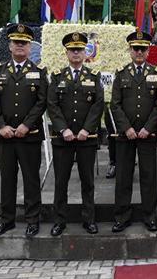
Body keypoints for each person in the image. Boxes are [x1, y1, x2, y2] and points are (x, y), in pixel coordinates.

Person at [0, 24, 47, 237]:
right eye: (16, 42)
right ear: (10, 45)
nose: (20, 46)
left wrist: (26, 125)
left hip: (28, 136)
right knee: (7, 180)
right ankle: (6, 220)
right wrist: (1, 126)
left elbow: (41, 103)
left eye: (24, 43)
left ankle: (32, 220)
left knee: (31, 179)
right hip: (5, 136)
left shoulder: (39, 72)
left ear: (30, 47)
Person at [47, 32, 104, 236]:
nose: (76, 53)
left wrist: (86, 130)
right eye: (72, 50)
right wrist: (64, 129)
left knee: (87, 181)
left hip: (85, 138)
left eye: (79, 49)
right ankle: (59, 220)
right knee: (61, 181)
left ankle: (88, 219)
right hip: (63, 138)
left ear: (84, 53)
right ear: (67, 53)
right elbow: (52, 105)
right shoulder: (57, 77)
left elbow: (98, 106)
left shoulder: (93, 77)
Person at [110, 31, 157, 232]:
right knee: (123, 176)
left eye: (143, 48)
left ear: (148, 51)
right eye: (136, 48)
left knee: (148, 177)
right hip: (127, 135)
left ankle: (150, 216)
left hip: (147, 135)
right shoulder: (121, 74)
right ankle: (122, 216)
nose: (139, 52)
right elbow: (115, 105)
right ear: (130, 50)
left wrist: (147, 128)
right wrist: (127, 128)